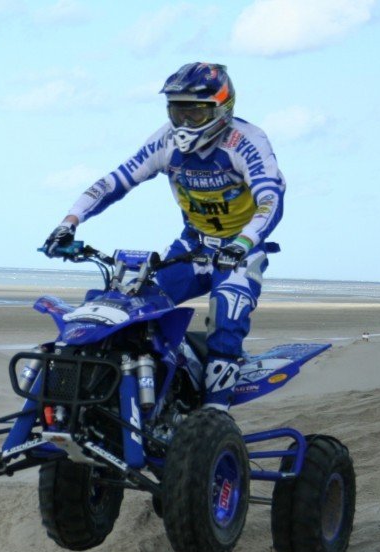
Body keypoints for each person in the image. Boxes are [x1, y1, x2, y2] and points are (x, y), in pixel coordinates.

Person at [41, 62, 285, 410]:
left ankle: (215, 416)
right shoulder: (165, 141)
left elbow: (270, 198)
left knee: (227, 322)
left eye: (196, 112)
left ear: (222, 107)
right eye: (178, 110)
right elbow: (115, 181)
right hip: (192, 246)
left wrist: (244, 242)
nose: (184, 122)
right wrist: (69, 222)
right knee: (134, 307)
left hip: (239, 251)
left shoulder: (247, 142)